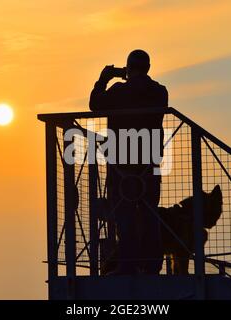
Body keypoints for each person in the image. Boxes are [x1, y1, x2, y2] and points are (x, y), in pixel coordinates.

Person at [89, 50, 168, 275]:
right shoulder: (160, 92)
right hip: (149, 165)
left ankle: (128, 264)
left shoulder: (117, 91)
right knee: (150, 214)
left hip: (120, 165)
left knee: (124, 216)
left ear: (128, 68)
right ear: (149, 67)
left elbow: (95, 104)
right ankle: (152, 265)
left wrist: (103, 80)